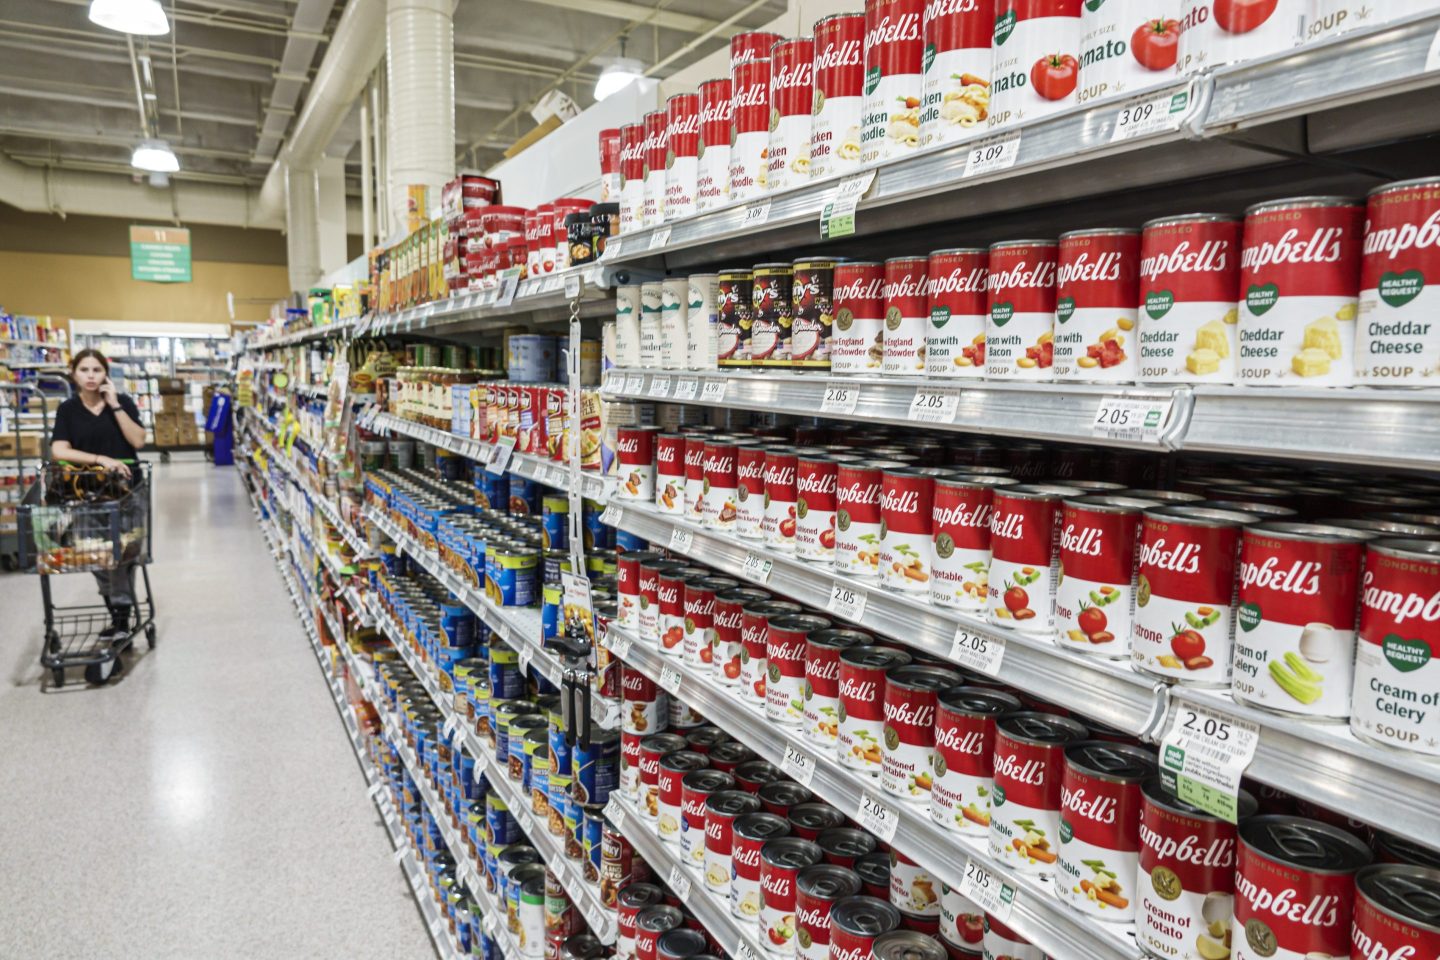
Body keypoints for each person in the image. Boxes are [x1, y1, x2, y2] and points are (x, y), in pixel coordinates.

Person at [50, 349, 148, 639]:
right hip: (87, 493)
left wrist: (115, 405)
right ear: (74, 374)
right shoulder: (68, 409)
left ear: (106, 374)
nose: (91, 376)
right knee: (95, 555)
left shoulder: (123, 402)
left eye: (97, 370)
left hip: (127, 492)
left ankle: (121, 620)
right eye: (84, 370)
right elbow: (59, 450)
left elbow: (138, 441)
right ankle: (117, 616)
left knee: (123, 556)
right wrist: (99, 459)